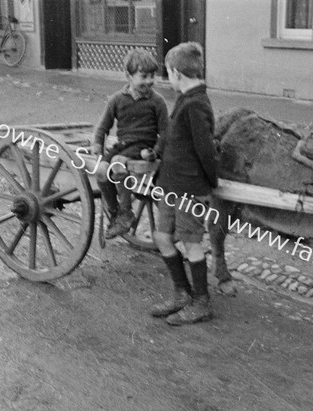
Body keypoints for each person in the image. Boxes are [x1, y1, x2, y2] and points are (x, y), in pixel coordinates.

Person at [151, 42, 219, 326]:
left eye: (168, 73)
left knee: (191, 242)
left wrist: (209, 183)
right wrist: (156, 152)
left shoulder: (197, 103)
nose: (169, 79)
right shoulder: (184, 98)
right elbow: (170, 134)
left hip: (189, 188)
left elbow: (205, 150)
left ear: (177, 73)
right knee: (162, 237)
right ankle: (182, 293)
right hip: (170, 185)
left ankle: (201, 302)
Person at [92, 49, 168, 238]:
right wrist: (96, 144)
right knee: (100, 169)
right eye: (143, 76)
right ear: (128, 76)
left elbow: (166, 133)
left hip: (143, 146)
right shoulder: (117, 99)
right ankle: (115, 212)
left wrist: (155, 152)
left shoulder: (157, 102)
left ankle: (126, 213)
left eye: (152, 76)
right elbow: (103, 127)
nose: (149, 81)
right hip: (124, 145)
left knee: (117, 162)